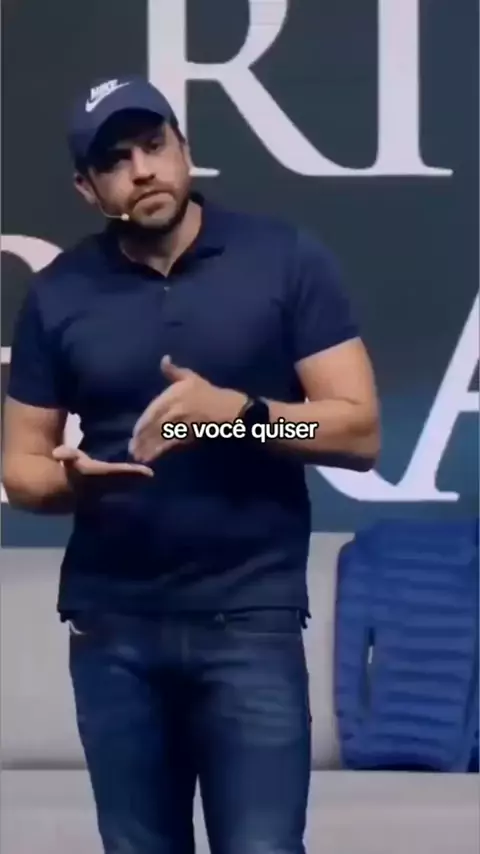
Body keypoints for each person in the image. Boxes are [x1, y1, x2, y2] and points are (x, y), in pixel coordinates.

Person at [2, 75, 380, 854]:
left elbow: (358, 430)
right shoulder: (59, 295)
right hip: (113, 630)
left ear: (184, 148)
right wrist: (71, 482)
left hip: (250, 621)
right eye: (115, 161)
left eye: (153, 146)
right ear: (87, 188)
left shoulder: (284, 259)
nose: (141, 170)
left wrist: (233, 416)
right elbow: (22, 468)